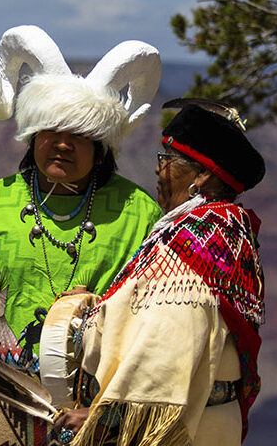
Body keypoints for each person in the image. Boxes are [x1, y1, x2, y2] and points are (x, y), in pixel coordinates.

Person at [0, 25, 163, 446]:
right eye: (51, 131)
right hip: (5, 408)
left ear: (101, 145)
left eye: (79, 135)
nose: (62, 145)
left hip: (99, 419)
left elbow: (157, 320)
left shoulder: (137, 213)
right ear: (33, 134)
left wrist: (113, 407)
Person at [58, 99, 266, 446]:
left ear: (203, 175)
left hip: (180, 427)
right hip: (209, 419)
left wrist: (105, 416)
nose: (159, 170)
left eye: (168, 159)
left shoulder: (192, 240)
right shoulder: (230, 228)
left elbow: (164, 350)